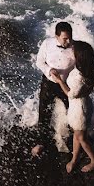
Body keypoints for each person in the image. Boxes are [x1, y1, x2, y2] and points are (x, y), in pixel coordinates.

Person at [50, 40, 94, 173]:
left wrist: (59, 80)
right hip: (81, 105)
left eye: (74, 52)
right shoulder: (86, 69)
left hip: (79, 110)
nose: (71, 53)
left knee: (81, 137)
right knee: (78, 134)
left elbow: (71, 94)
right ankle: (74, 158)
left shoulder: (79, 76)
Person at [31, 21, 74, 156]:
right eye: (65, 38)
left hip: (67, 84)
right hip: (49, 82)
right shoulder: (47, 43)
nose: (68, 41)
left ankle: (72, 141)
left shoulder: (75, 47)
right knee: (44, 112)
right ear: (56, 36)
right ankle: (41, 142)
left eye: (70, 37)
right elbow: (39, 61)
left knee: (72, 112)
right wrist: (49, 70)